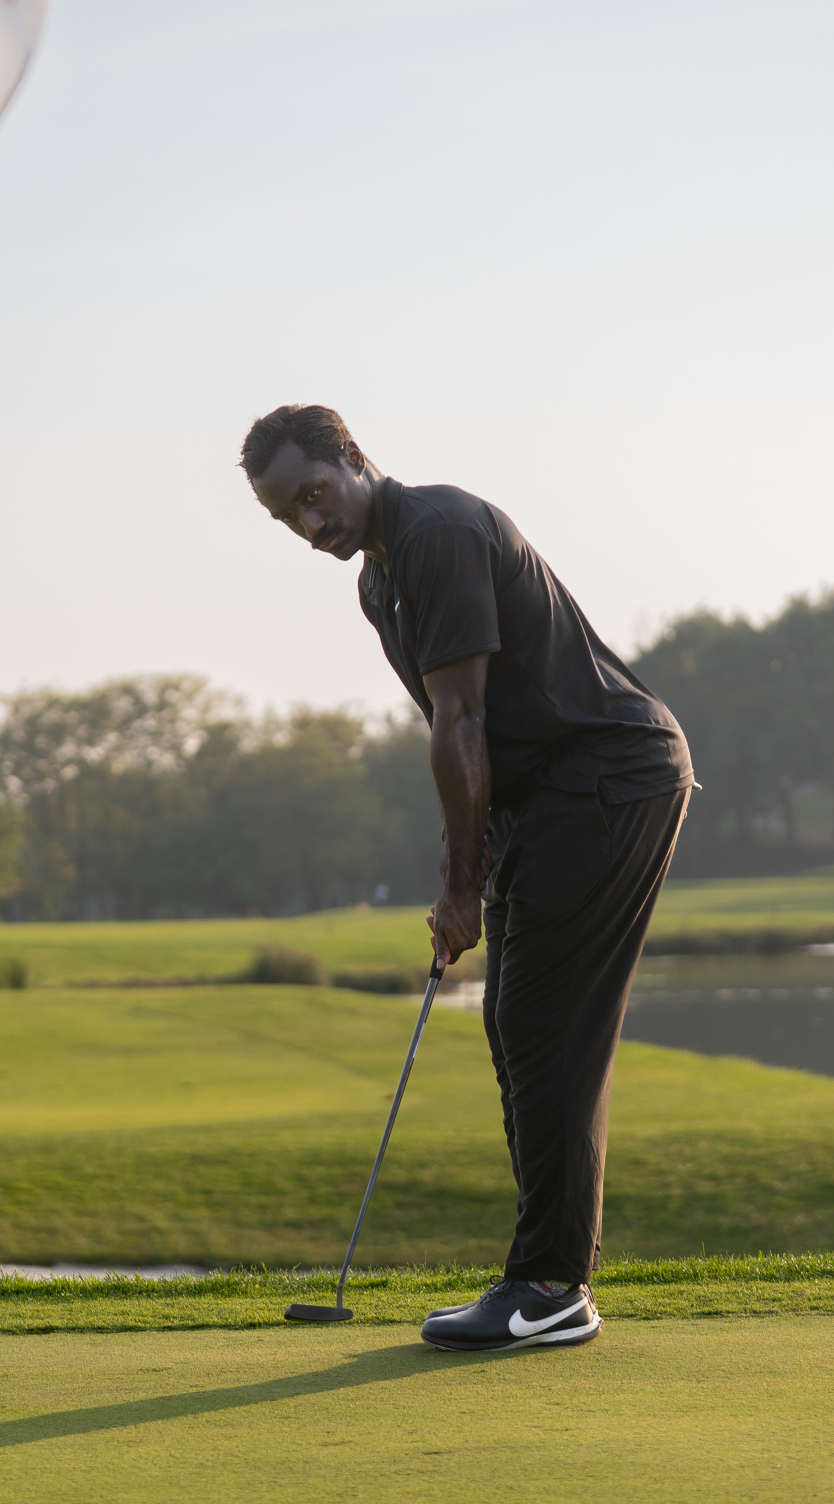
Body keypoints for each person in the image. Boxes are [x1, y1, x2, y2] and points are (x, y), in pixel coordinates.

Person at [241, 405, 694, 1356]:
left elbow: (462, 720)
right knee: (514, 1023)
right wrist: (465, 862)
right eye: (287, 518)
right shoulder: (379, 582)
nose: (310, 525)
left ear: (353, 458)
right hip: (547, 797)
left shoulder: (439, 532)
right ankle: (549, 1280)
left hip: (608, 777)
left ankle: (550, 1285)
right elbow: (457, 735)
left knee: (541, 1023)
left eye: (314, 496)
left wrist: (461, 885)